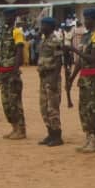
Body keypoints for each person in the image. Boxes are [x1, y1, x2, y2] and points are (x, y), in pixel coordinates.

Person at [65, 8, 95, 153]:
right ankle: (88, 137)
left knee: (92, 110)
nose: (85, 22)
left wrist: (73, 50)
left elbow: (93, 58)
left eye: (87, 19)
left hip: (94, 78)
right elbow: (80, 61)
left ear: (94, 19)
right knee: (84, 110)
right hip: (85, 78)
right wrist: (71, 78)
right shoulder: (86, 36)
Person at [0, 7, 27, 139]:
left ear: (14, 18)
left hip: (11, 72)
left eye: (9, 16)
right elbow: (1, 54)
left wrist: (15, 71)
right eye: (5, 16)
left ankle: (21, 129)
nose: (6, 19)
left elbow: (19, 52)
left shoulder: (17, 32)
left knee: (15, 102)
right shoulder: (3, 33)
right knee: (6, 103)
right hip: (3, 71)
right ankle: (14, 127)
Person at [35, 16, 65, 146]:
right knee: (44, 107)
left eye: (44, 25)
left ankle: (57, 136)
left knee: (53, 108)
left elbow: (59, 61)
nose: (42, 27)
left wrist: (54, 79)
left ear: (51, 27)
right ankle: (50, 133)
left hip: (52, 77)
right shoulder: (44, 40)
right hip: (43, 77)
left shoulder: (55, 41)